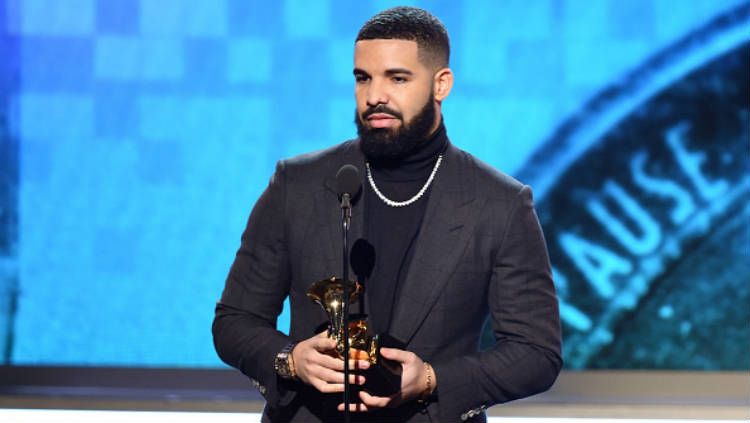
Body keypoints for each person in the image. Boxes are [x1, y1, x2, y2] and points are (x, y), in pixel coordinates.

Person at [213, 6, 562, 422]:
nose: (375, 95)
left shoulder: (499, 203)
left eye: (397, 78)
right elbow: (235, 321)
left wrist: (432, 379)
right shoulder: (299, 185)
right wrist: (291, 359)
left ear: (441, 85)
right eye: (363, 78)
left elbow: (535, 353)